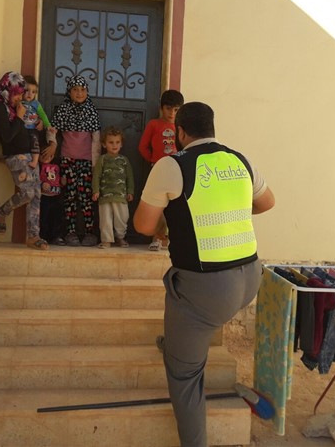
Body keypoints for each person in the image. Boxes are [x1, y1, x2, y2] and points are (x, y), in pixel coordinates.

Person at [133, 101, 275, 447]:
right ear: (212, 128)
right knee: (188, 327)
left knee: (185, 375)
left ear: (179, 132)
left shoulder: (172, 165)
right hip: (250, 278)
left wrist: (167, 226)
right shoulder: (240, 160)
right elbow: (267, 202)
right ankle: (177, 344)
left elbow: (143, 226)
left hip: (207, 289)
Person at [0, 71, 48, 250]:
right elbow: (7, 136)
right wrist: (20, 116)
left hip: (30, 154)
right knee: (28, 193)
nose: (19, 98)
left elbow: (27, 127)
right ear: (7, 90)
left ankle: (33, 236)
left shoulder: (16, 106)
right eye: (17, 94)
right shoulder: (0, 107)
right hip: (16, 155)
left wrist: (38, 122)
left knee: (36, 195)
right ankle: (2, 212)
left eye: (21, 94)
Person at [50, 75, 101, 247]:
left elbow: (96, 139)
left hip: (86, 161)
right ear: (69, 92)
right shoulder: (63, 110)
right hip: (67, 161)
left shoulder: (91, 111)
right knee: (69, 197)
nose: (79, 93)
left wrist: (95, 165)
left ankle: (89, 233)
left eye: (83, 89)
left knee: (86, 197)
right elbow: (52, 130)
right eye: (75, 89)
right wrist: (52, 144)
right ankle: (70, 232)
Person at [138, 89, 184, 251]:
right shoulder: (154, 124)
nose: (172, 113)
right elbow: (143, 146)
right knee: (157, 205)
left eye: (176, 110)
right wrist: (153, 160)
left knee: (176, 206)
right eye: (168, 108)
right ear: (161, 108)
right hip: (157, 170)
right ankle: (156, 239)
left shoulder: (181, 127)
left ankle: (173, 240)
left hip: (177, 171)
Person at [92, 126, 134, 249]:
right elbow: (96, 176)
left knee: (122, 218)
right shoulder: (102, 159)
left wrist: (130, 191)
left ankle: (120, 237)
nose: (114, 145)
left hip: (121, 196)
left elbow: (129, 177)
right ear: (104, 144)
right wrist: (96, 190)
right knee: (105, 219)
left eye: (117, 142)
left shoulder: (124, 160)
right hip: (105, 196)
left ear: (121, 144)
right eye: (111, 142)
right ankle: (106, 240)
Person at [21, 75, 54, 169]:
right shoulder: (19, 101)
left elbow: (43, 115)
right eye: (27, 90)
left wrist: (48, 125)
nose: (30, 94)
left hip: (32, 129)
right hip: (21, 128)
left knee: (35, 144)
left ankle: (35, 161)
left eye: (33, 92)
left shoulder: (36, 104)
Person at [39, 149, 66, 246]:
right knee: (44, 218)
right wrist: (41, 184)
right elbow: (34, 180)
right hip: (44, 197)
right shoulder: (38, 167)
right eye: (43, 155)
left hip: (56, 196)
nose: (47, 157)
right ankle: (43, 237)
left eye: (49, 155)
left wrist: (62, 182)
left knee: (57, 218)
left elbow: (57, 179)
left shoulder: (57, 166)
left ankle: (56, 236)